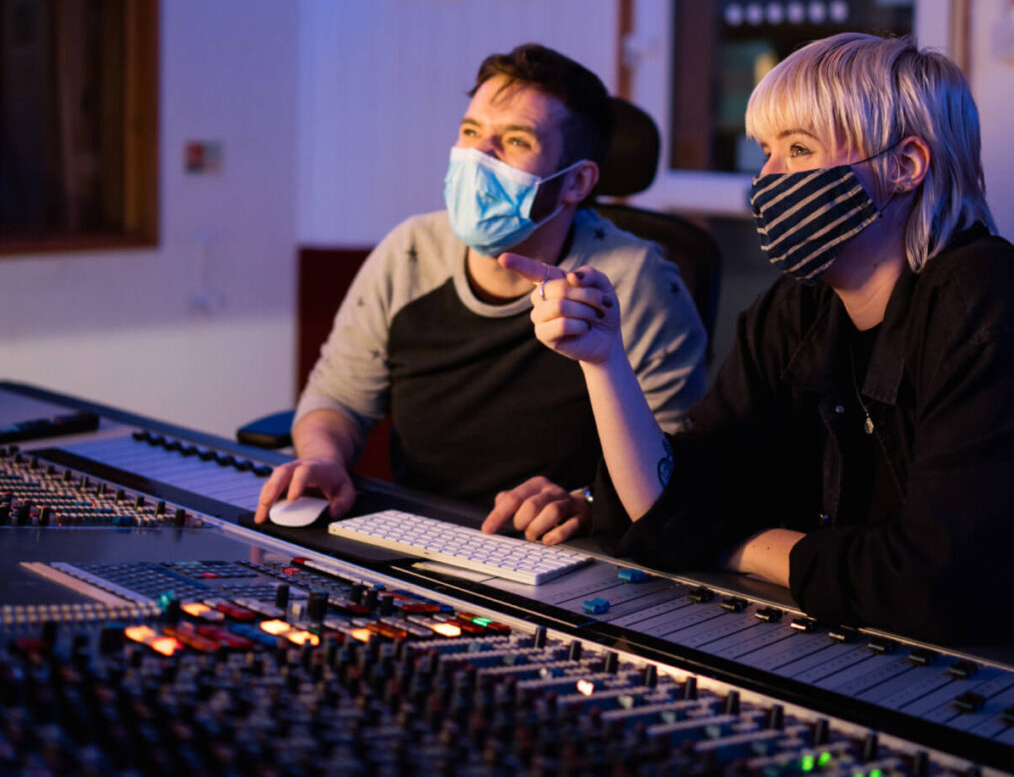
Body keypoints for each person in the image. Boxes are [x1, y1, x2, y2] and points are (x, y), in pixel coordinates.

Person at [505, 32, 1014, 647]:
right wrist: (603, 360)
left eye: (798, 149)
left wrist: (740, 546)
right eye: (765, 152)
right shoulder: (794, 309)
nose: (766, 179)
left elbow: (934, 581)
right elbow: (670, 508)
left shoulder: (991, 303)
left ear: (904, 166)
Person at [255, 43, 707, 543]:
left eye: (515, 140)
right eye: (471, 132)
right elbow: (339, 398)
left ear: (576, 182)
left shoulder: (633, 279)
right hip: (416, 533)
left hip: (557, 549)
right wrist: (323, 457)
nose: (478, 155)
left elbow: (676, 461)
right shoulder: (409, 251)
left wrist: (588, 502)